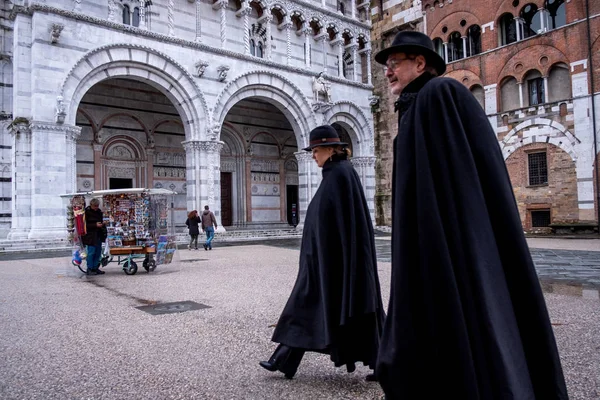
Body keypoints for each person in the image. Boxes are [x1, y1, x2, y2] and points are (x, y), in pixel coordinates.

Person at [373, 31, 568, 399]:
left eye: (394, 62)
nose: (387, 72)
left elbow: (460, 182)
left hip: (452, 241)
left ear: (420, 63)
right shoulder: (417, 107)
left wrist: (451, 240)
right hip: (433, 241)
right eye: (386, 65)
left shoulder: (440, 95)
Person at [259, 125, 385, 380]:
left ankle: (384, 363)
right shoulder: (335, 174)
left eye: (316, 150)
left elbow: (344, 224)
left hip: (335, 262)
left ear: (330, 149)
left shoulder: (340, 175)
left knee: (313, 306)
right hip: (326, 261)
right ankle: (284, 360)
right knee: (308, 307)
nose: (313, 155)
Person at [82, 198, 106, 275]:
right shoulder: (87, 212)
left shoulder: (99, 212)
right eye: (95, 206)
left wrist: (103, 223)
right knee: (91, 252)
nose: (96, 207)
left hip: (98, 234)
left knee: (98, 252)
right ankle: (90, 268)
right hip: (90, 236)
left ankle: (95, 267)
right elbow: (84, 225)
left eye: (97, 206)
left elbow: (101, 220)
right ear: (91, 205)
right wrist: (95, 225)